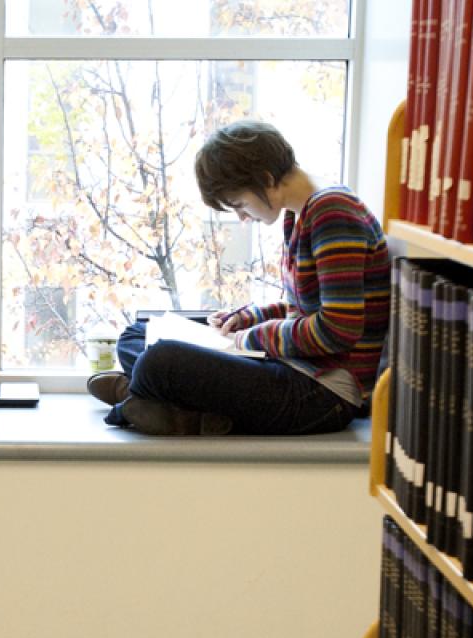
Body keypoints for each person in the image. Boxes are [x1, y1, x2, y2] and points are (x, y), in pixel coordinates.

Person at [86, 120, 390, 435]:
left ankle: (145, 395)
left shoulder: (332, 213)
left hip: (325, 393)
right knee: (136, 335)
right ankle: (160, 402)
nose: (243, 218)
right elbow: (302, 309)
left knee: (159, 361)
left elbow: (339, 329)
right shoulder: (299, 213)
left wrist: (250, 338)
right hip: (298, 367)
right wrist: (247, 318)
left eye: (240, 205)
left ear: (266, 179)